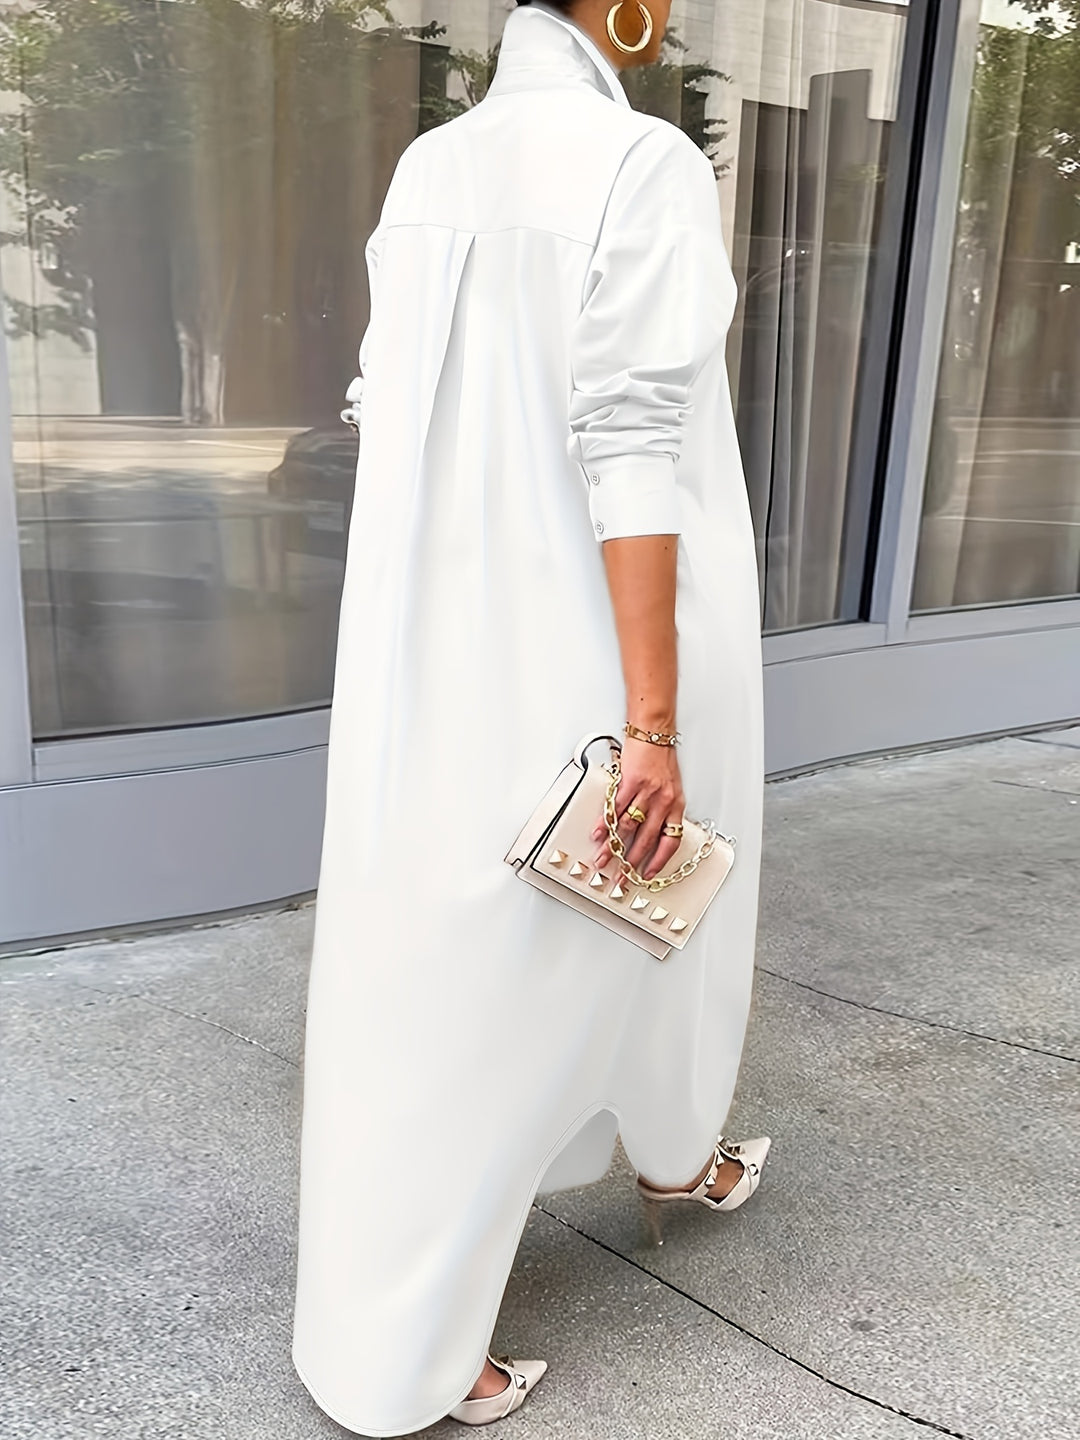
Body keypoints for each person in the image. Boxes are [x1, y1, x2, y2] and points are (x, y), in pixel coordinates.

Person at [292, 1, 768, 1432]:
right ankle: (409, 1357)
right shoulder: (644, 166)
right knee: (637, 898)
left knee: (454, 955)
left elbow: (390, 403)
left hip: (440, 632)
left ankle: (674, 1155)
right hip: (610, 638)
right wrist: (657, 716)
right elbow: (631, 435)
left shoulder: (432, 166)